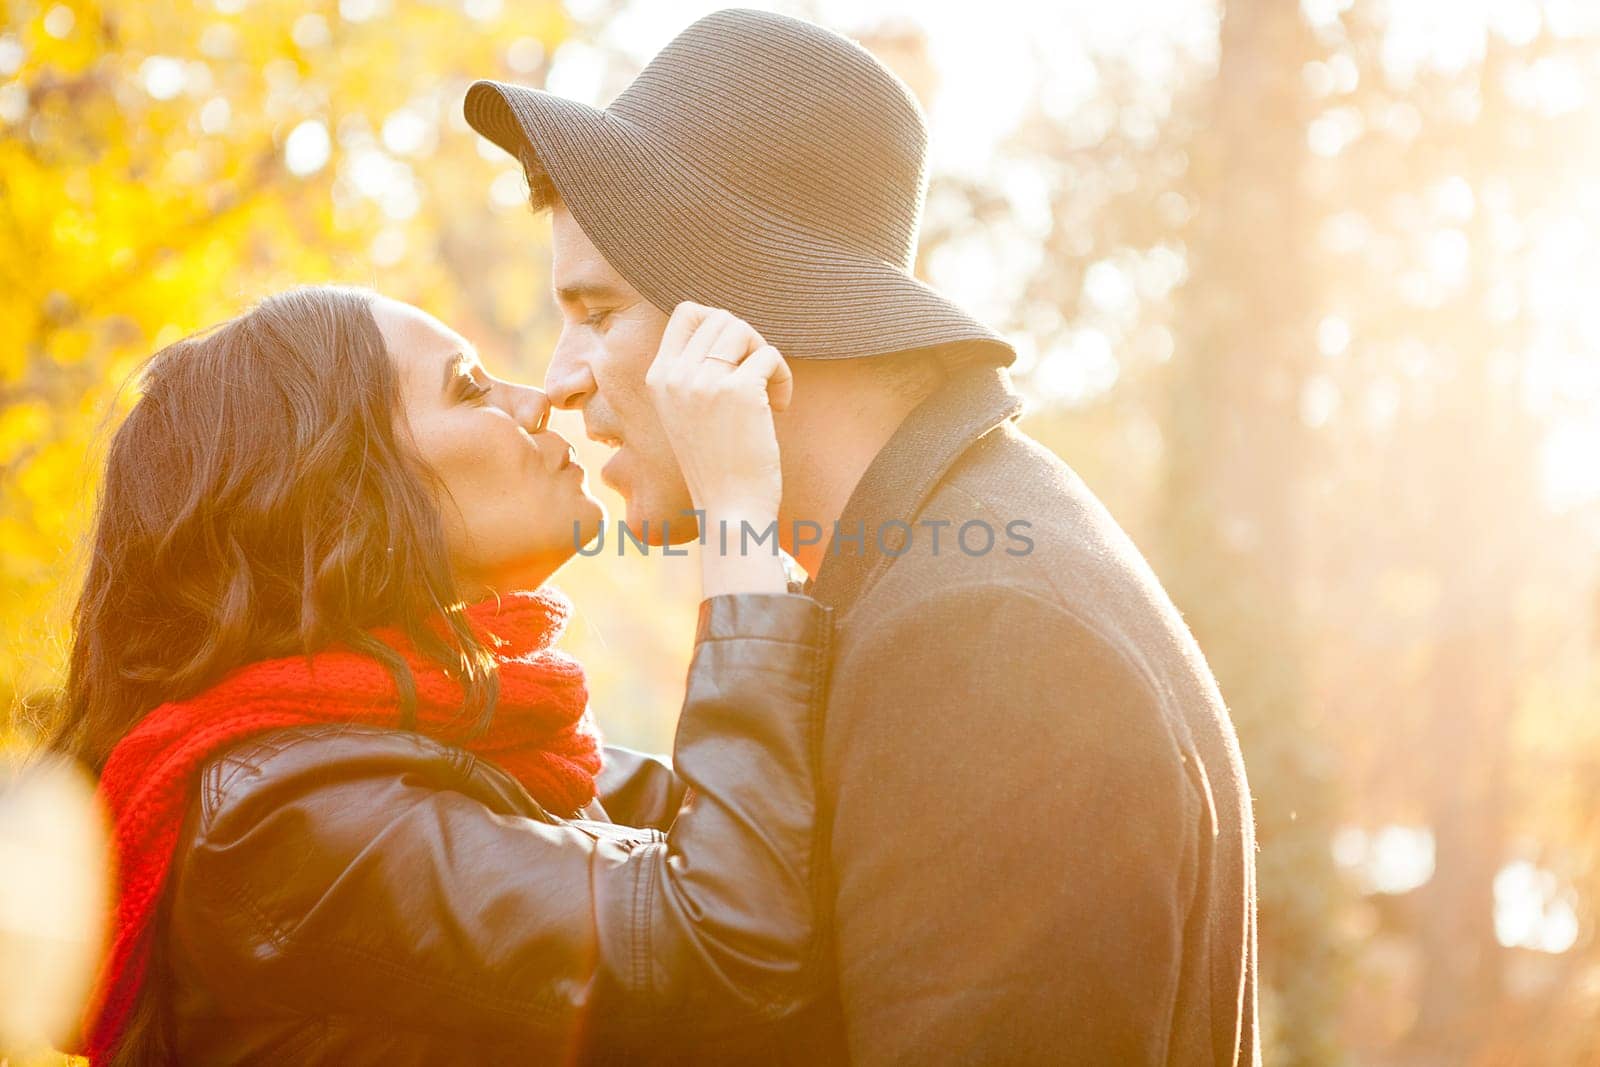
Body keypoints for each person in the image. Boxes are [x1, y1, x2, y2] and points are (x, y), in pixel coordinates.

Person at [465, 8, 1259, 1064]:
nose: (561, 381)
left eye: (598, 313)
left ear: (739, 313)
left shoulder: (989, 638)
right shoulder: (931, 571)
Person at [47, 285, 829, 1065]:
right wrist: (737, 515)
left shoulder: (486, 741)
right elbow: (726, 946)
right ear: (344, 496)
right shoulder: (280, 821)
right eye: (469, 387)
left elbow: (792, 827)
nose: (539, 400)